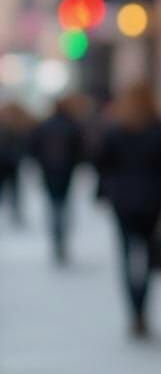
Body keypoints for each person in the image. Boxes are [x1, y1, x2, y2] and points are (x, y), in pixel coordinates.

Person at [94, 80, 161, 338]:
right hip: (151, 199)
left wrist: (103, 193)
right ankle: (143, 308)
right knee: (149, 256)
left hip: (123, 200)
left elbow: (103, 164)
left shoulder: (116, 127)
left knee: (127, 254)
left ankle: (134, 310)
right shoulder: (158, 127)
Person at [28, 95, 86, 264]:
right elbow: (80, 149)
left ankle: (56, 236)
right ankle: (61, 238)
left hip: (49, 171)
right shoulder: (71, 125)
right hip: (66, 171)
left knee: (53, 205)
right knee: (63, 204)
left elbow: (33, 147)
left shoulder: (44, 125)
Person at [0, 101, 33, 226]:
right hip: (6, 165)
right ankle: (16, 215)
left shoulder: (16, 128)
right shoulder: (14, 127)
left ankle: (16, 215)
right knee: (11, 191)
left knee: (14, 191)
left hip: (11, 165)